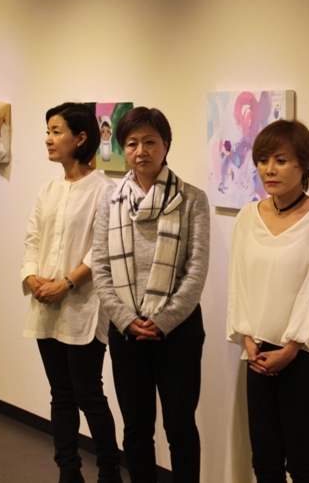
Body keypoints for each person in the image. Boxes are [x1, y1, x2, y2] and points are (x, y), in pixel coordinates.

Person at [91, 107, 209, 483]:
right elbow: (100, 268)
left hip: (179, 332)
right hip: (127, 332)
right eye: (131, 143)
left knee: (180, 427)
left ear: (166, 145)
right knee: (137, 429)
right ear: (123, 149)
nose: (141, 151)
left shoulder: (192, 199)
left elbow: (196, 270)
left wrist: (162, 319)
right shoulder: (110, 202)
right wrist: (127, 320)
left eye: (149, 142)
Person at [226, 119, 309, 483]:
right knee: (264, 460)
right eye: (263, 160)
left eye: (281, 160)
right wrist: (248, 338)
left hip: (304, 355)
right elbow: (239, 282)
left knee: (300, 460)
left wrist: (291, 348)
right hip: (258, 351)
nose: (269, 169)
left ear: (304, 164)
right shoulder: (248, 216)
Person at [20, 103, 122, 483]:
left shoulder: (105, 190)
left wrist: (66, 282)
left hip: (84, 305)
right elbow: (32, 240)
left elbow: (102, 248)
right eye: (47, 131)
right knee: (60, 394)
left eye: (56, 131)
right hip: (45, 302)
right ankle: (68, 471)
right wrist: (33, 278)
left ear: (80, 138)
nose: (48, 139)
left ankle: (109, 470)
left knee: (88, 394)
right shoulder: (47, 190)